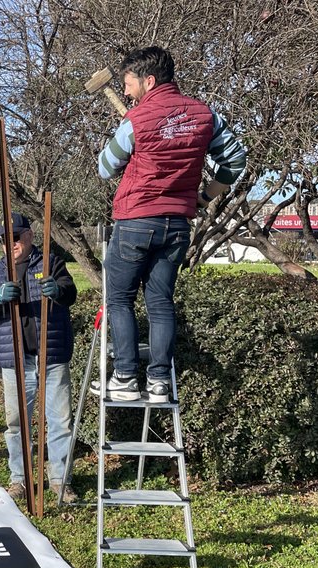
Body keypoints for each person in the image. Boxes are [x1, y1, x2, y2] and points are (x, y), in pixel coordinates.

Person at [96, 45, 247, 402]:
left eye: (128, 84)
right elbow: (235, 160)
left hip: (136, 220)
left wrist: (126, 137)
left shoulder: (136, 120)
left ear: (148, 81)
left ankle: (126, 378)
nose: (126, 92)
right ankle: (160, 381)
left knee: (119, 298)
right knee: (160, 300)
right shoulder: (204, 114)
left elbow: (105, 168)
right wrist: (207, 196)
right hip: (177, 224)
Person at [0, 213, 78, 503]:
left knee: (60, 421)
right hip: (15, 362)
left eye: (17, 237)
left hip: (51, 355)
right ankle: (19, 479)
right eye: (5, 240)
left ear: (30, 235)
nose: (12, 244)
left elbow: (71, 293)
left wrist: (58, 290)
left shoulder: (51, 263)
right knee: (17, 422)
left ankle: (60, 480)